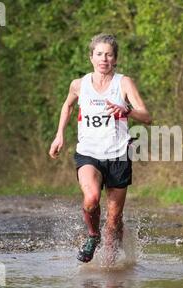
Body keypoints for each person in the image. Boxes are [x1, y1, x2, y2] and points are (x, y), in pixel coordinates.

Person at [49, 34, 151, 264]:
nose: (104, 59)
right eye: (99, 54)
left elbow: (147, 117)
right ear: (91, 57)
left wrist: (126, 110)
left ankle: (110, 268)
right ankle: (93, 236)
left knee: (114, 219)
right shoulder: (79, 84)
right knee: (92, 199)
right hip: (89, 153)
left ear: (115, 59)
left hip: (118, 155)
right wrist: (59, 135)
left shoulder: (124, 83)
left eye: (109, 55)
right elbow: (67, 105)